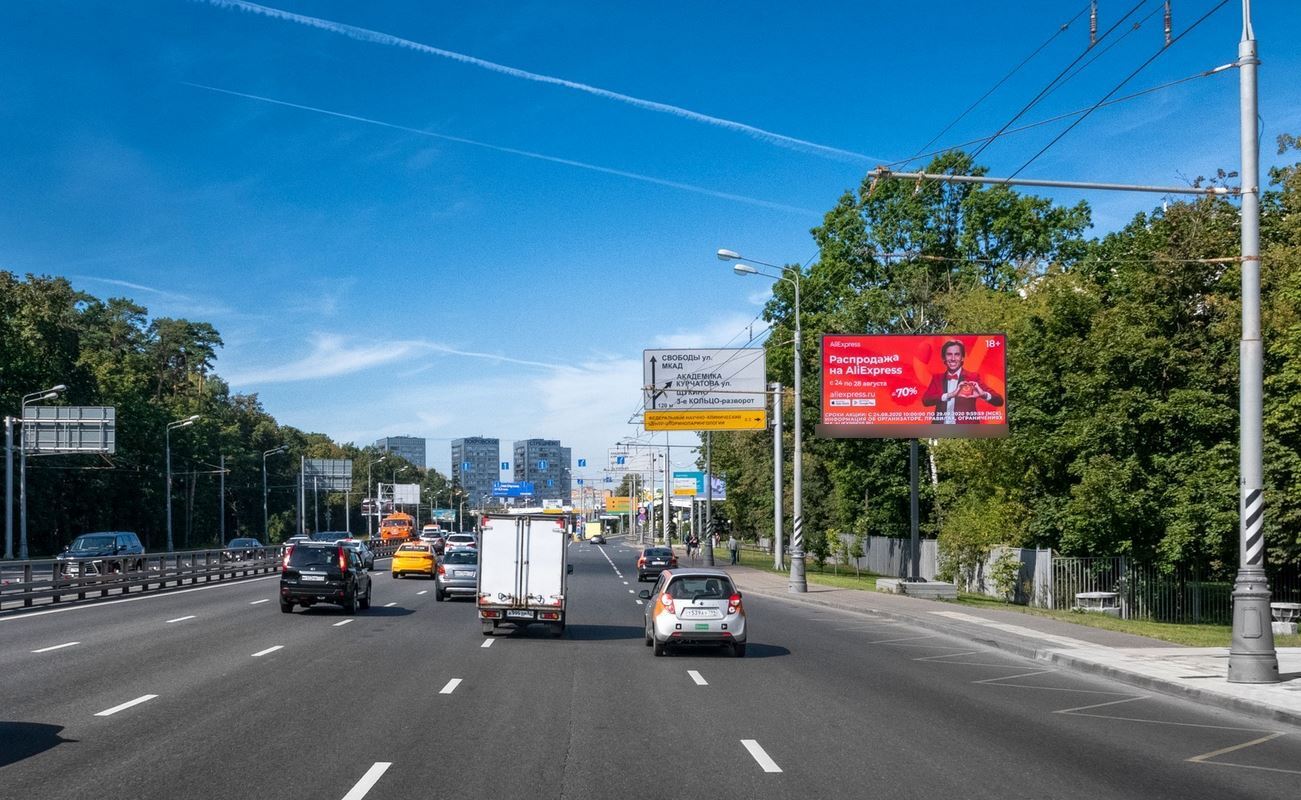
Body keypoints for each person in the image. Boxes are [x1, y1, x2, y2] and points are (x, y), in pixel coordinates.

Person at [920, 339, 1004, 425]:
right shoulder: (937, 378)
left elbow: (999, 401)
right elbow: (926, 401)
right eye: (949, 354)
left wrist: (983, 394)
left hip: (966, 430)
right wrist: (950, 395)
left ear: (962, 358)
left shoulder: (972, 377)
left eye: (957, 354)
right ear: (944, 358)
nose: (953, 358)